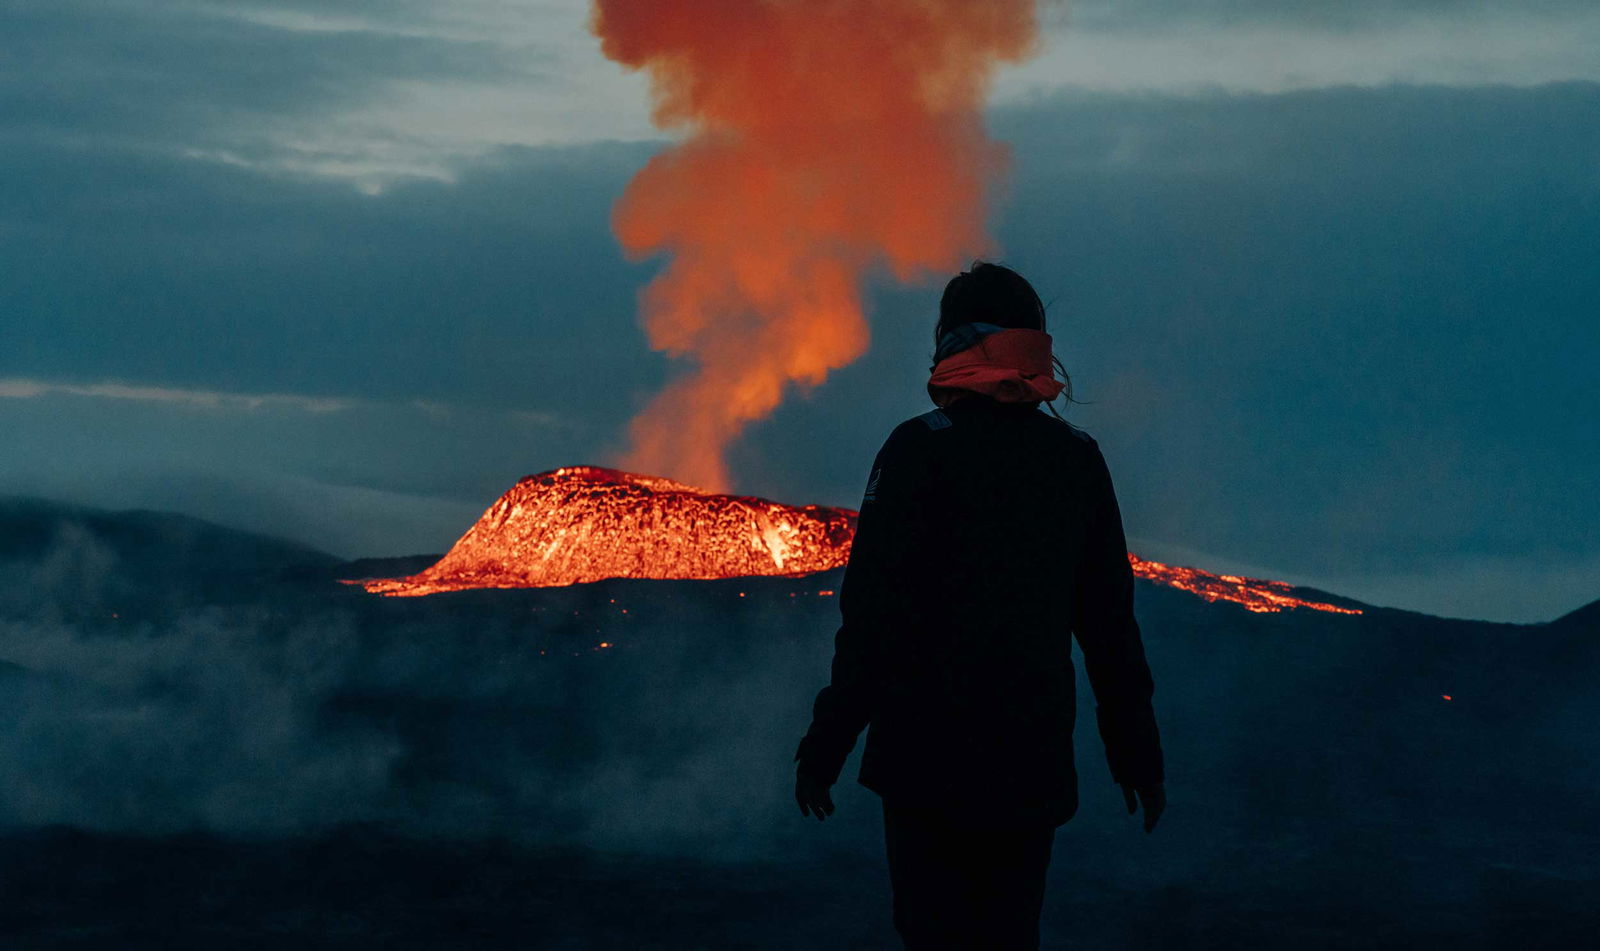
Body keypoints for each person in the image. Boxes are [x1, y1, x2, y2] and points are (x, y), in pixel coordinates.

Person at [793, 262, 1166, 949]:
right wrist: (1136, 748)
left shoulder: (918, 451)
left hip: (922, 760)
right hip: (1030, 760)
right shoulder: (1075, 459)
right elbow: (1109, 623)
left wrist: (827, 743)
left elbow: (872, 618)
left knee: (931, 932)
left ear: (951, 343)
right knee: (1008, 934)